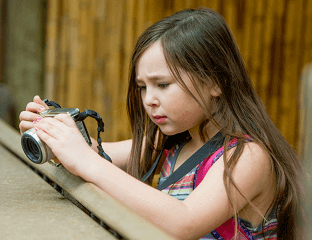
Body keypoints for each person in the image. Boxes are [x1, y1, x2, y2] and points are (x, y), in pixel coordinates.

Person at [19, 8, 305, 240]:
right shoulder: (171, 141)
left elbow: (185, 223)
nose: (149, 100)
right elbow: (94, 153)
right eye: (143, 87)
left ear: (216, 81)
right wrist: (51, 135)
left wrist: (84, 159)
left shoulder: (247, 156)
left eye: (163, 84)